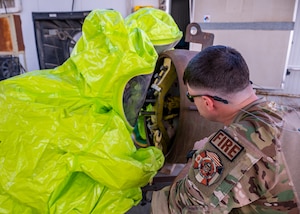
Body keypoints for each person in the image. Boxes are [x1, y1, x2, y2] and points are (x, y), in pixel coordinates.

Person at [151, 45, 300, 213]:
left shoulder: (237, 143)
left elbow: (177, 208)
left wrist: (196, 157)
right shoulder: (289, 112)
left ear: (207, 102)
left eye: (190, 97)